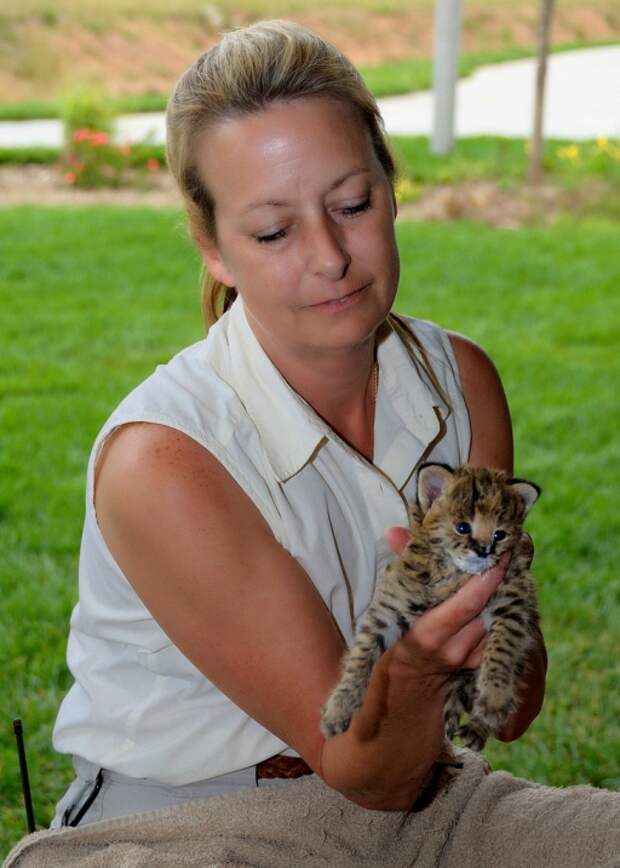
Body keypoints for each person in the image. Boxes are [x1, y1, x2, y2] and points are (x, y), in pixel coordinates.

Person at [35, 19, 618, 866]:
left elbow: (512, 710)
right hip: (195, 829)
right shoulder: (164, 461)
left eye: (352, 204)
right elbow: (360, 768)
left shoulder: (462, 383)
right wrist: (418, 669)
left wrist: (480, 615)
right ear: (214, 247)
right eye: (274, 232)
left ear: (390, 186)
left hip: (431, 804)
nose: (332, 256)